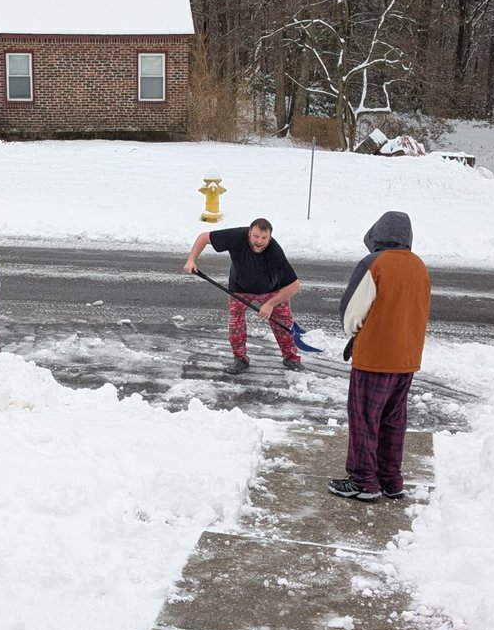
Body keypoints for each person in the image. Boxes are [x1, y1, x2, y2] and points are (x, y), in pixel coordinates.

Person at [329, 211, 431, 502]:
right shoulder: (419, 266)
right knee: (393, 419)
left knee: (364, 418)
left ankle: (363, 481)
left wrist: (355, 334)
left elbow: (352, 313)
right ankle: (390, 478)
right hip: (406, 358)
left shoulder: (374, 263)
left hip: (375, 357)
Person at [183, 217, 303, 374]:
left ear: (270, 237)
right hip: (239, 288)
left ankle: (291, 358)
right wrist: (191, 260)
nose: (259, 241)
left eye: (264, 238)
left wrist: (270, 304)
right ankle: (240, 359)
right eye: (256, 236)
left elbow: (295, 286)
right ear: (249, 233)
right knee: (235, 324)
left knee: (283, 323)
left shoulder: (275, 253)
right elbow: (204, 237)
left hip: (271, 290)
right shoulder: (236, 237)